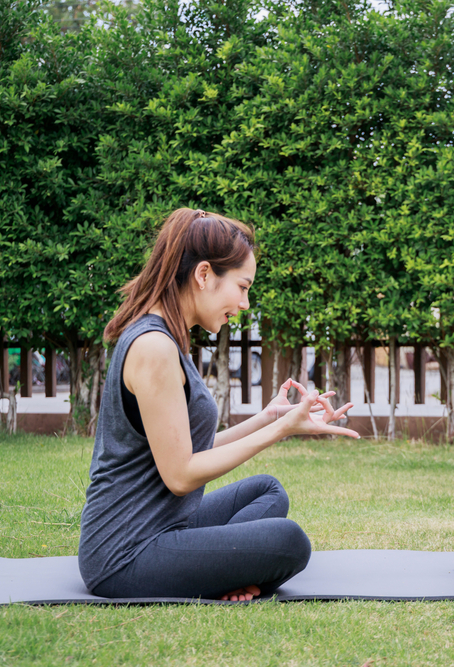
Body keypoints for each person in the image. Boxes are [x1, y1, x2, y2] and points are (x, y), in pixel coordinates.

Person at [78, 208, 360, 602]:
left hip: (165, 526)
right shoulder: (154, 347)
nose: (245, 304)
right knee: (290, 542)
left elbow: (184, 449)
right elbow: (180, 475)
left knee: (268, 490)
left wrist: (267, 419)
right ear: (204, 274)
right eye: (243, 287)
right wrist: (282, 431)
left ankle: (222, 567)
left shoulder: (167, 336)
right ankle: (226, 569)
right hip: (125, 553)